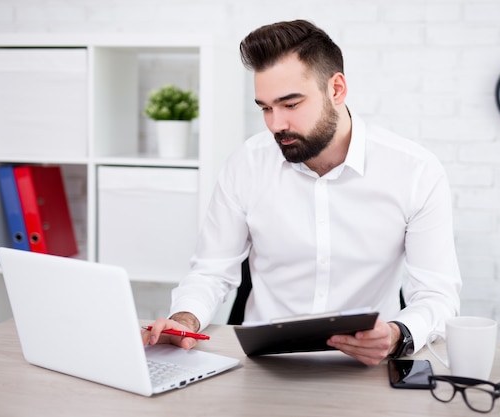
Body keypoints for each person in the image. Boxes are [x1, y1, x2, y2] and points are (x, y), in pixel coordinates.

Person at [142, 19, 461, 366]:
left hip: (364, 367)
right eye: (265, 107)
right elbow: (211, 271)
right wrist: (184, 321)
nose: (275, 124)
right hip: (264, 366)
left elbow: (437, 295)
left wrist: (398, 334)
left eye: (290, 104)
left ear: (336, 89)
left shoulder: (415, 171)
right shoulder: (246, 165)